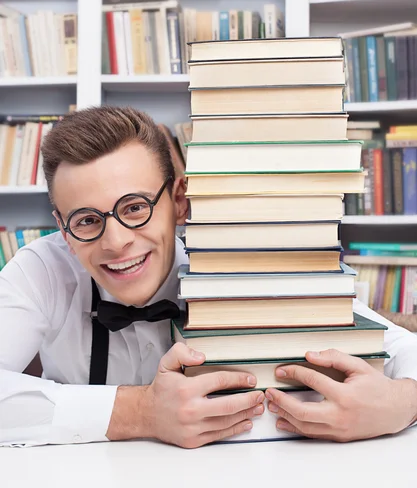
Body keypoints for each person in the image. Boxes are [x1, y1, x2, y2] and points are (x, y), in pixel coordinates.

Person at [0, 106, 416, 448]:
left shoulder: (239, 262)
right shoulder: (41, 269)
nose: (116, 242)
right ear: (61, 227)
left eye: (134, 208)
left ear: (179, 201)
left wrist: (403, 401)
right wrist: (142, 411)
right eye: (87, 220)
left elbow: (402, 349)